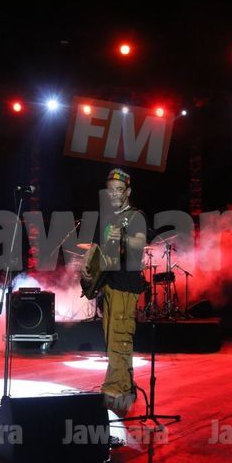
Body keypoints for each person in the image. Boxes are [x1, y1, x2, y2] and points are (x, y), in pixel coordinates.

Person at [81, 168, 147, 412]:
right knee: (112, 338)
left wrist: (124, 238)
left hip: (126, 285)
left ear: (128, 191)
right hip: (107, 284)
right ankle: (124, 386)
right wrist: (85, 266)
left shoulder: (135, 216)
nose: (114, 194)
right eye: (110, 190)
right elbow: (95, 247)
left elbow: (140, 241)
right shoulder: (106, 217)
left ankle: (116, 391)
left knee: (120, 336)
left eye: (119, 190)